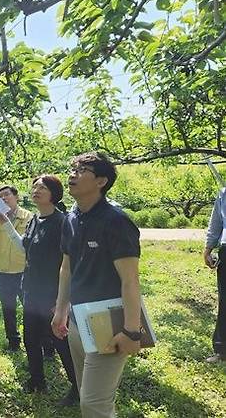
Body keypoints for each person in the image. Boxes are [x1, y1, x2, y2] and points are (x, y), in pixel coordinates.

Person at [52, 152, 142, 418]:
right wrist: (60, 310)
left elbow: (130, 279)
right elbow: (67, 267)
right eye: (72, 168)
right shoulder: (70, 218)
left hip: (110, 322)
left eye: (82, 170)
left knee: (93, 405)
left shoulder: (116, 221)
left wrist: (132, 331)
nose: (73, 174)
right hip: (78, 320)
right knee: (87, 394)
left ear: (101, 181)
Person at [0, 175, 78, 406]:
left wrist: (64, 303)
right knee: (31, 339)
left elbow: (71, 265)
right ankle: (37, 380)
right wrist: (6, 225)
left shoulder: (63, 223)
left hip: (53, 297)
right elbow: (25, 246)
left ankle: (77, 387)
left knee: (61, 343)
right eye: (34, 187)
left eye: (42, 187)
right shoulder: (34, 220)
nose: (36, 190)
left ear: (54, 193)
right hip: (31, 292)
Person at [0, 185, 33, 351]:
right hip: (3, 271)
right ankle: (13, 342)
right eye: (0, 196)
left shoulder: (27, 216)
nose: (3, 198)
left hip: (24, 271)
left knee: (31, 309)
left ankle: (43, 343)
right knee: (8, 309)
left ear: (16, 197)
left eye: (7, 195)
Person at [204, 185, 226, 363]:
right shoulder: (224, 193)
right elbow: (216, 223)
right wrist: (208, 249)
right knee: (225, 301)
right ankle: (222, 350)